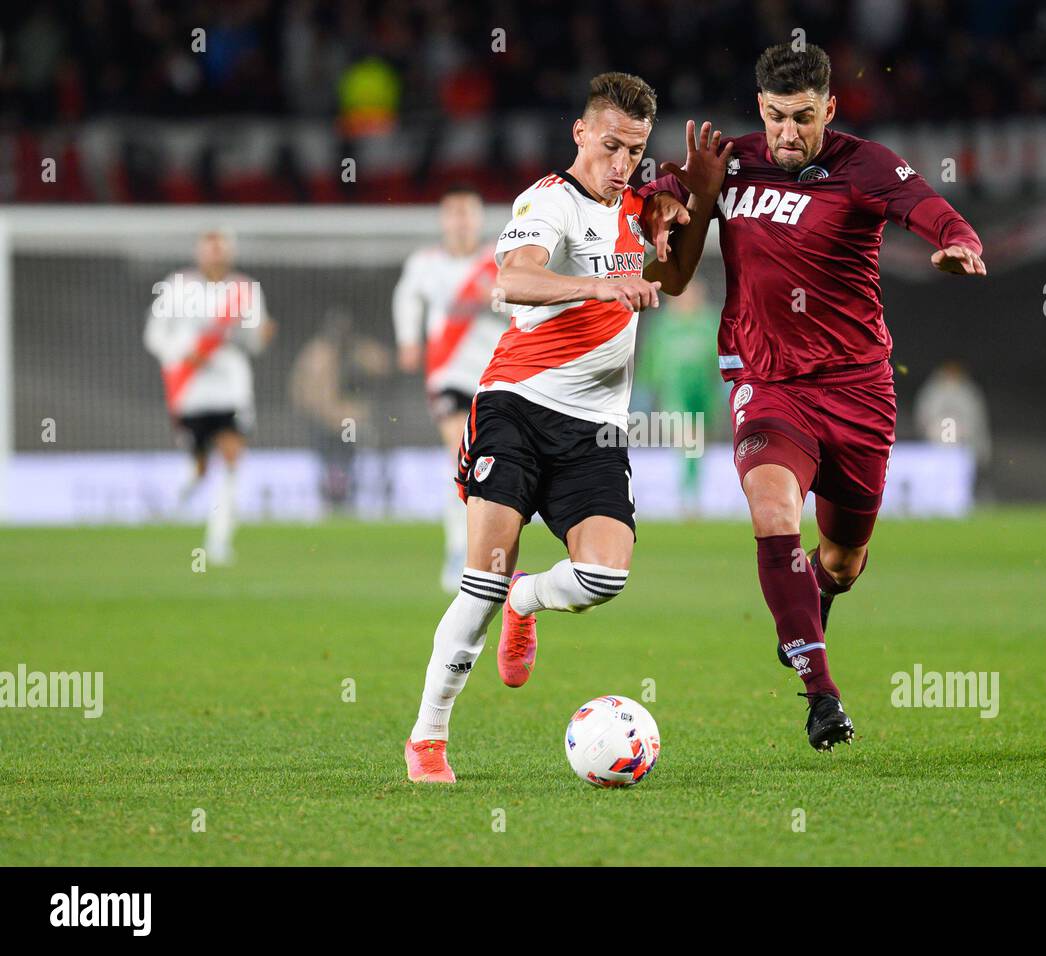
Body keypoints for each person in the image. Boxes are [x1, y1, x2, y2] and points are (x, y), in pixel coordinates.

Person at [640, 43, 986, 750]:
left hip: (858, 389)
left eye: (802, 118)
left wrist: (958, 243)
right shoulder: (728, 160)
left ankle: (818, 603)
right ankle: (821, 694)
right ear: (759, 108)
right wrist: (673, 199)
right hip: (766, 382)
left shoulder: (868, 165)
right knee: (773, 514)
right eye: (774, 118)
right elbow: (669, 276)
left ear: (830, 108)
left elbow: (935, 213)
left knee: (842, 561)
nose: (787, 134)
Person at [404, 72, 731, 783]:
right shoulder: (547, 202)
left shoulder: (645, 204)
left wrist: (699, 201)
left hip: (595, 427)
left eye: (635, 151)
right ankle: (428, 739)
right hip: (516, 405)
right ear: (581, 134)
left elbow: (672, 282)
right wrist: (600, 284)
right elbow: (511, 280)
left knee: (604, 576)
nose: (622, 164)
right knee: (480, 582)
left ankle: (530, 598)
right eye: (611, 145)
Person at [392, 185, 504, 590]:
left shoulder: (499, 260)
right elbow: (406, 298)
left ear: (478, 218)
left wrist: (494, 298)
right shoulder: (425, 263)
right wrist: (407, 340)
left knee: (490, 467)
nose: (460, 221)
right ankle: (458, 549)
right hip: (447, 375)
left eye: (467, 213)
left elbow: (522, 303)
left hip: (495, 375)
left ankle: (484, 550)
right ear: (443, 220)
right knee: (462, 454)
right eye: (453, 213)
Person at [144, 230, 275, 565]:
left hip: (231, 388)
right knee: (200, 466)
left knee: (232, 457)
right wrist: (183, 354)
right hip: (192, 391)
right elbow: (154, 335)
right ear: (200, 255)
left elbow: (253, 342)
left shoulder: (245, 290)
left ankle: (218, 539)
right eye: (210, 252)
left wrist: (261, 334)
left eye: (221, 252)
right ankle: (176, 499)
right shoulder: (176, 287)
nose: (216, 258)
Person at [289, 308, 393, 513]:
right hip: (323, 421)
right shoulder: (317, 354)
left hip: (347, 421)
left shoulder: (356, 350)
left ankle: (346, 495)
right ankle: (331, 497)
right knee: (328, 460)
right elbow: (303, 390)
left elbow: (383, 363)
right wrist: (314, 412)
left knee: (348, 458)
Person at [639, 280, 720, 516]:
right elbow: (650, 359)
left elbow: (721, 357)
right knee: (688, 441)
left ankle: (692, 494)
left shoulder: (709, 321)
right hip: (674, 393)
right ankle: (687, 498)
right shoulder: (663, 325)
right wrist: (645, 392)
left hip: (705, 393)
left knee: (698, 447)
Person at [915, 361, 993, 501]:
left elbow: (976, 422)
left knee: (966, 480)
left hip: (964, 447)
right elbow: (925, 417)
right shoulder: (933, 392)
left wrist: (980, 447)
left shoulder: (969, 393)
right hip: (937, 448)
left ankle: (972, 500)